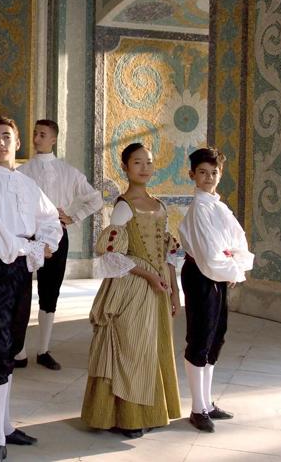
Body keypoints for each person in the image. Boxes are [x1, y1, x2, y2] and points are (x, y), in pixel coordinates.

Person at [0, 115, 63, 462]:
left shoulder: (26, 185)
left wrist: (47, 241)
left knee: (12, 346)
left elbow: (50, 218)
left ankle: (6, 425)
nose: (0, 142)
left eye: (6, 136)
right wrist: (37, 249)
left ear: (17, 142)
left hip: (22, 270)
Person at [81, 143, 182, 439]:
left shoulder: (159, 205)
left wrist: (174, 291)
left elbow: (168, 254)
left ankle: (148, 412)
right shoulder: (124, 205)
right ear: (125, 167)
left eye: (149, 162)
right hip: (133, 284)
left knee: (152, 348)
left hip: (159, 283)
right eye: (138, 163)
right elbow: (112, 254)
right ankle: (125, 417)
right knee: (130, 348)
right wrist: (148, 276)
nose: (145, 168)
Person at [15, 119, 103, 370]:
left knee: (49, 293)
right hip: (26, 236)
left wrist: (73, 217)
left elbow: (94, 199)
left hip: (56, 236)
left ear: (53, 139)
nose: (37, 138)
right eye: (34, 133)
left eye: (42, 134)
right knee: (20, 291)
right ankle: (18, 352)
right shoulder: (21, 172)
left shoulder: (69, 172)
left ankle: (43, 350)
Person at [178, 147, 253, 433]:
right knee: (200, 336)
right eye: (203, 173)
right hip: (201, 276)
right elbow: (209, 255)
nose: (209, 178)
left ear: (220, 174)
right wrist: (231, 269)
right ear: (192, 175)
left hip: (218, 276)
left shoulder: (218, 206)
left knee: (216, 336)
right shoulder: (199, 208)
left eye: (214, 173)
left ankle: (207, 403)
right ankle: (197, 409)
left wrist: (234, 267)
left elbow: (238, 243)